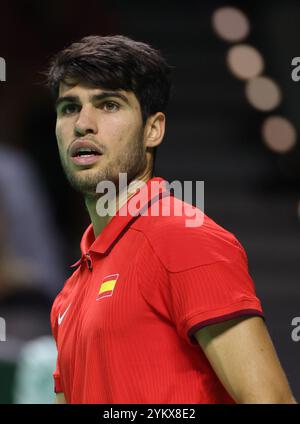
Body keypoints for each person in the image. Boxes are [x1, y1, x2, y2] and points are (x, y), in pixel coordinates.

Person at [46, 35, 296, 404]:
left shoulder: (182, 239)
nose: (83, 124)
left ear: (153, 129)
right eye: (69, 108)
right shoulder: (71, 291)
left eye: (109, 105)